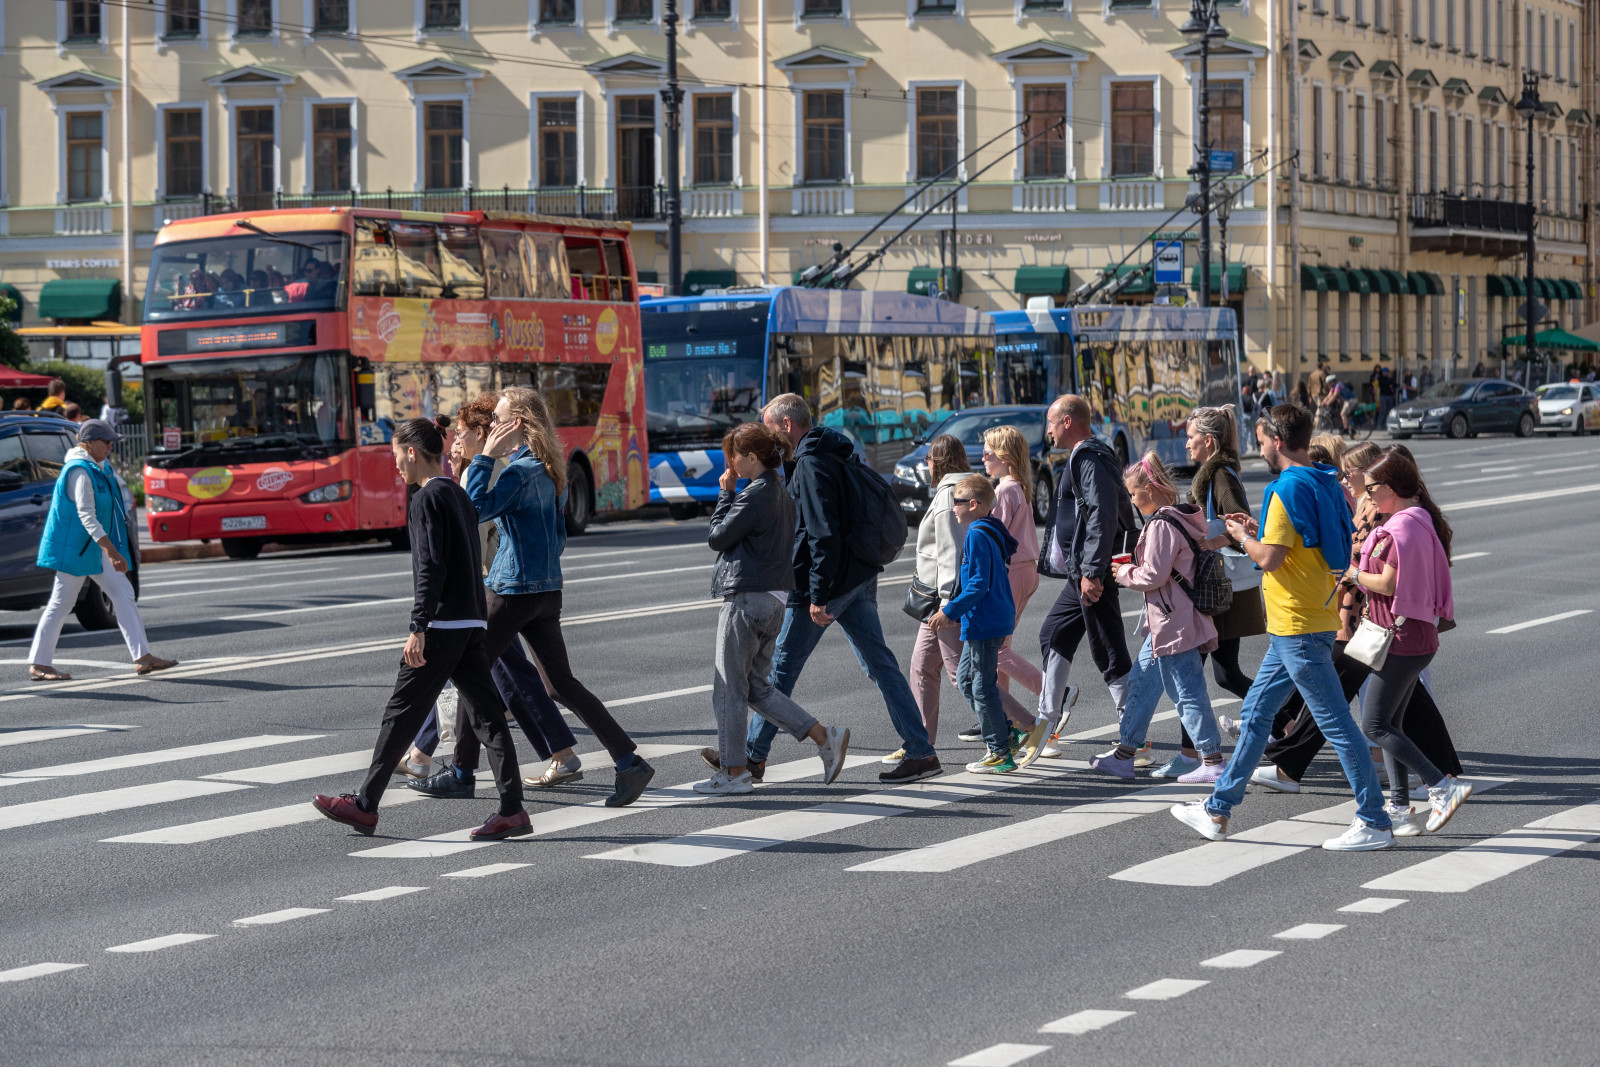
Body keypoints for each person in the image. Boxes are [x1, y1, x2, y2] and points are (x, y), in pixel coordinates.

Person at [417, 387, 657, 807]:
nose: (492, 427)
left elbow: (471, 509)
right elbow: (559, 536)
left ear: (519, 424)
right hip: (547, 588)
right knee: (560, 684)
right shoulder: (552, 469)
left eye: (499, 420)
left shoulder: (517, 472)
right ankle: (628, 760)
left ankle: (460, 772)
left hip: (512, 589)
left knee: (469, 669)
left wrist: (484, 457)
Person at [1170, 403, 1394, 851]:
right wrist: (1260, 531)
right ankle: (1218, 809)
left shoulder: (1284, 487)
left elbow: (1268, 557)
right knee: (1255, 716)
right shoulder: (1323, 480)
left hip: (1297, 623)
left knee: (1336, 725)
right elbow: (1304, 546)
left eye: (1259, 440)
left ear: (1275, 440)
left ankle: (1374, 818)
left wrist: (1241, 538)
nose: (1257, 447)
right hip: (1309, 617)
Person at [313, 418, 529, 840]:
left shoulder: (425, 497)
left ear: (412, 453)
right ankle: (512, 809)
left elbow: (430, 567)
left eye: (397, 458)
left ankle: (365, 804)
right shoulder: (458, 495)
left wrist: (419, 626)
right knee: (487, 718)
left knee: (401, 713)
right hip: (470, 621)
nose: (396, 467)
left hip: (443, 623)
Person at [744, 393, 943, 784]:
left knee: (780, 670)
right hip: (857, 574)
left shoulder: (811, 463)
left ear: (787, 425)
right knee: (880, 664)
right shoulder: (834, 452)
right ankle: (921, 751)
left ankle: (751, 758)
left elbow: (822, 534)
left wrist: (817, 594)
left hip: (829, 583)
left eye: (770, 430)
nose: (768, 440)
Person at [398, 399, 584, 790]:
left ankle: (438, 761)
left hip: (495, 586)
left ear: (483, 434)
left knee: (492, 673)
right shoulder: (473, 470)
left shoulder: (497, 469)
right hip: (494, 585)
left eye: (462, 434)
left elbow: (475, 526)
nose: (454, 442)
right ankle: (429, 756)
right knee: (501, 674)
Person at [695, 422, 851, 795]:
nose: (730, 462)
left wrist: (724, 495)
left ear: (750, 457)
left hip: (746, 600)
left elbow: (717, 537)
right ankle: (822, 736)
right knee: (755, 688)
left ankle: (734, 773)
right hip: (774, 601)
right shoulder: (781, 492)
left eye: (733, 454)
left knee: (729, 689)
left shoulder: (753, 494)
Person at [1345, 450, 1473, 834]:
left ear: (1390, 488)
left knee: (1375, 725)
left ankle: (1442, 785)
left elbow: (1387, 583)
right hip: (1409, 635)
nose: (1366, 497)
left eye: (1371, 489)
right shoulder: (1412, 520)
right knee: (1392, 723)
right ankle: (1400, 806)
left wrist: (1354, 575)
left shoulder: (1403, 528)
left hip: (1401, 637)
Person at [1091, 453, 1226, 783]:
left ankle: (1212, 760)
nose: (1133, 501)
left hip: (1172, 621)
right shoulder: (1180, 517)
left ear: (1148, 491)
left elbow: (1153, 575)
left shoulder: (1162, 525)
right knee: (1143, 682)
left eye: (1133, 494)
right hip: (1169, 620)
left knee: (1187, 691)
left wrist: (1124, 571)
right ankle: (1125, 754)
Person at [1152, 405, 1264, 778]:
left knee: (1208, 674)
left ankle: (1284, 726)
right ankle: (1282, 728)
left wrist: (1204, 538)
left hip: (1221, 587)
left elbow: (1239, 524)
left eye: (1191, 438)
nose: (1186, 445)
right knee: (1215, 672)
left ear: (1209, 441)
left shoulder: (1221, 476)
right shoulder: (1214, 472)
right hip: (1219, 585)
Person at [26, 419, 179, 681]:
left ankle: (142, 657)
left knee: (123, 593)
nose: (110, 446)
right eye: (106, 441)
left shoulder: (99, 467)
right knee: (61, 604)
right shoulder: (79, 471)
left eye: (112, 441)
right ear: (88, 443)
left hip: (94, 548)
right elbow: (87, 516)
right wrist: (112, 551)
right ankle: (39, 664)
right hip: (76, 551)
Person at [1034, 394, 1134, 758]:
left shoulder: (1089, 457)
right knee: (1054, 633)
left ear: (1067, 421)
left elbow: (1101, 514)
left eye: (1050, 422)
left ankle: (1133, 736)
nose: (1047, 431)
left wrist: (1092, 572)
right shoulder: (1085, 455)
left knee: (1109, 649)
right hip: (1083, 571)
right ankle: (1046, 722)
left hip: (1091, 572)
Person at [928, 474, 1019, 774]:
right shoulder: (987, 529)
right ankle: (1005, 733)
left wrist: (950, 611)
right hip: (987, 618)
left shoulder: (977, 534)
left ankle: (999, 751)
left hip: (985, 619)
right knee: (967, 680)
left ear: (974, 504)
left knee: (981, 687)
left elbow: (978, 583)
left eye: (957, 502)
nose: (953, 508)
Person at [981, 424, 1049, 763]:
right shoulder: (1015, 486)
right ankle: (1004, 720)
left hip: (1013, 571)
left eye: (989, 452)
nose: (983, 457)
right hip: (1025, 569)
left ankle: (1053, 693)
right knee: (1001, 649)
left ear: (1004, 457)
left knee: (993, 651)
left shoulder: (1005, 490)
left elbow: (994, 535)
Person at [907, 434, 975, 752]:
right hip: (940, 599)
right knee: (922, 667)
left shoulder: (949, 493)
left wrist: (948, 604)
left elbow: (951, 551)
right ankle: (921, 743)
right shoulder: (966, 486)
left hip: (944, 599)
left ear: (940, 461)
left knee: (963, 675)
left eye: (928, 459)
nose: (926, 464)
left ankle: (1020, 728)